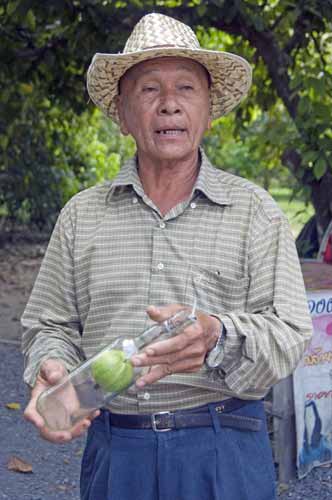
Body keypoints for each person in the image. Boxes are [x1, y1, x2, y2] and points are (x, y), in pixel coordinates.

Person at [22, 13, 313, 500]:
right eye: (149, 90)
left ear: (208, 111)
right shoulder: (81, 216)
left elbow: (289, 334)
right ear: (122, 113)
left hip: (224, 451)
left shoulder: (254, 212)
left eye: (186, 88)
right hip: (117, 453)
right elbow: (48, 324)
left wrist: (216, 334)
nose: (169, 105)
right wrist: (52, 365)